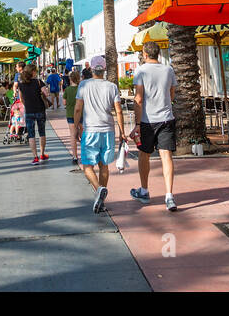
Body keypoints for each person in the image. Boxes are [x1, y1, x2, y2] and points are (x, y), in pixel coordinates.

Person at [130, 42, 179, 212]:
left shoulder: (141, 71)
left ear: (144, 54)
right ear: (158, 54)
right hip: (166, 118)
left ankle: (144, 191)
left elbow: (138, 98)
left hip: (146, 121)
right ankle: (169, 196)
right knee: (167, 156)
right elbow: (171, 94)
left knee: (144, 155)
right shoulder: (169, 70)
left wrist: (136, 124)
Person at [73, 56, 125, 214]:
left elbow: (77, 109)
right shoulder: (112, 86)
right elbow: (118, 110)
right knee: (104, 165)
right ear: (104, 70)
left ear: (92, 70)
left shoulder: (84, 85)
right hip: (108, 130)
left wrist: (76, 127)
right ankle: (101, 198)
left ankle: (99, 191)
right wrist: (122, 132)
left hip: (91, 130)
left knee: (87, 166)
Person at [17, 65, 55, 164]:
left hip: (29, 111)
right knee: (42, 132)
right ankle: (42, 154)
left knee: (31, 134)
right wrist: (45, 90)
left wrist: (27, 105)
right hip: (40, 110)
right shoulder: (38, 82)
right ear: (32, 72)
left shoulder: (21, 84)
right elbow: (46, 94)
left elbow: (21, 99)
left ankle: (35, 157)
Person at [63, 69, 82, 165]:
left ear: (70, 79)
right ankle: (85, 153)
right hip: (82, 115)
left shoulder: (67, 90)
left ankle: (75, 156)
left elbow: (64, 102)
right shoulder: (81, 89)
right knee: (83, 135)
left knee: (73, 135)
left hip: (70, 115)